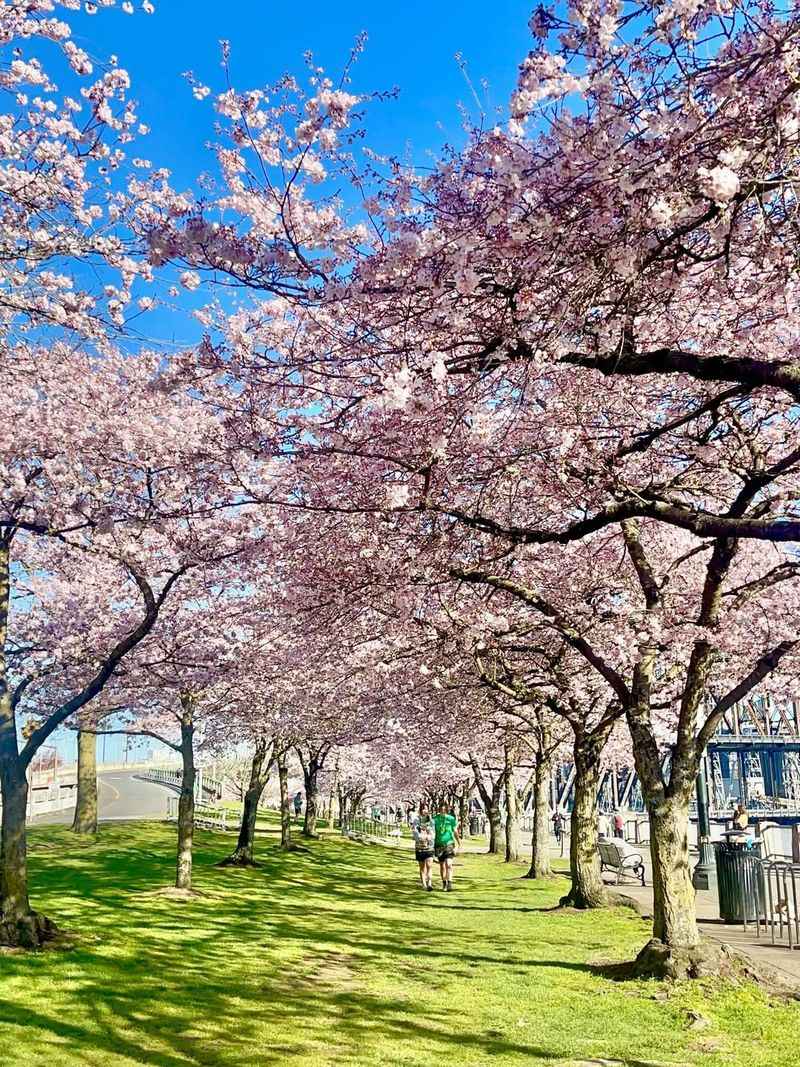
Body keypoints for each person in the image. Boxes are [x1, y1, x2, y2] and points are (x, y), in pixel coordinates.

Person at [433, 802, 460, 892]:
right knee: (442, 866)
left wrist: (459, 842)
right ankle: (444, 882)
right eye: (441, 809)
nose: (443, 811)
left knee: (449, 864)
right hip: (438, 844)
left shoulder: (451, 819)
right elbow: (432, 832)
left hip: (449, 843)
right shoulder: (435, 819)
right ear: (439, 810)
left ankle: (450, 883)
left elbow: (455, 831)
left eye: (445, 809)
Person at [412, 803, 436, 890]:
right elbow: (415, 832)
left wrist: (428, 837)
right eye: (423, 809)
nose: (424, 811)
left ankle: (429, 883)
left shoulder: (431, 821)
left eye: (426, 809)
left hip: (429, 846)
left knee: (429, 865)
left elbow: (433, 834)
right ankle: (424, 884)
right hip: (420, 847)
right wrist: (421, 837)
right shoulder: (416, 820)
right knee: (422, 867)